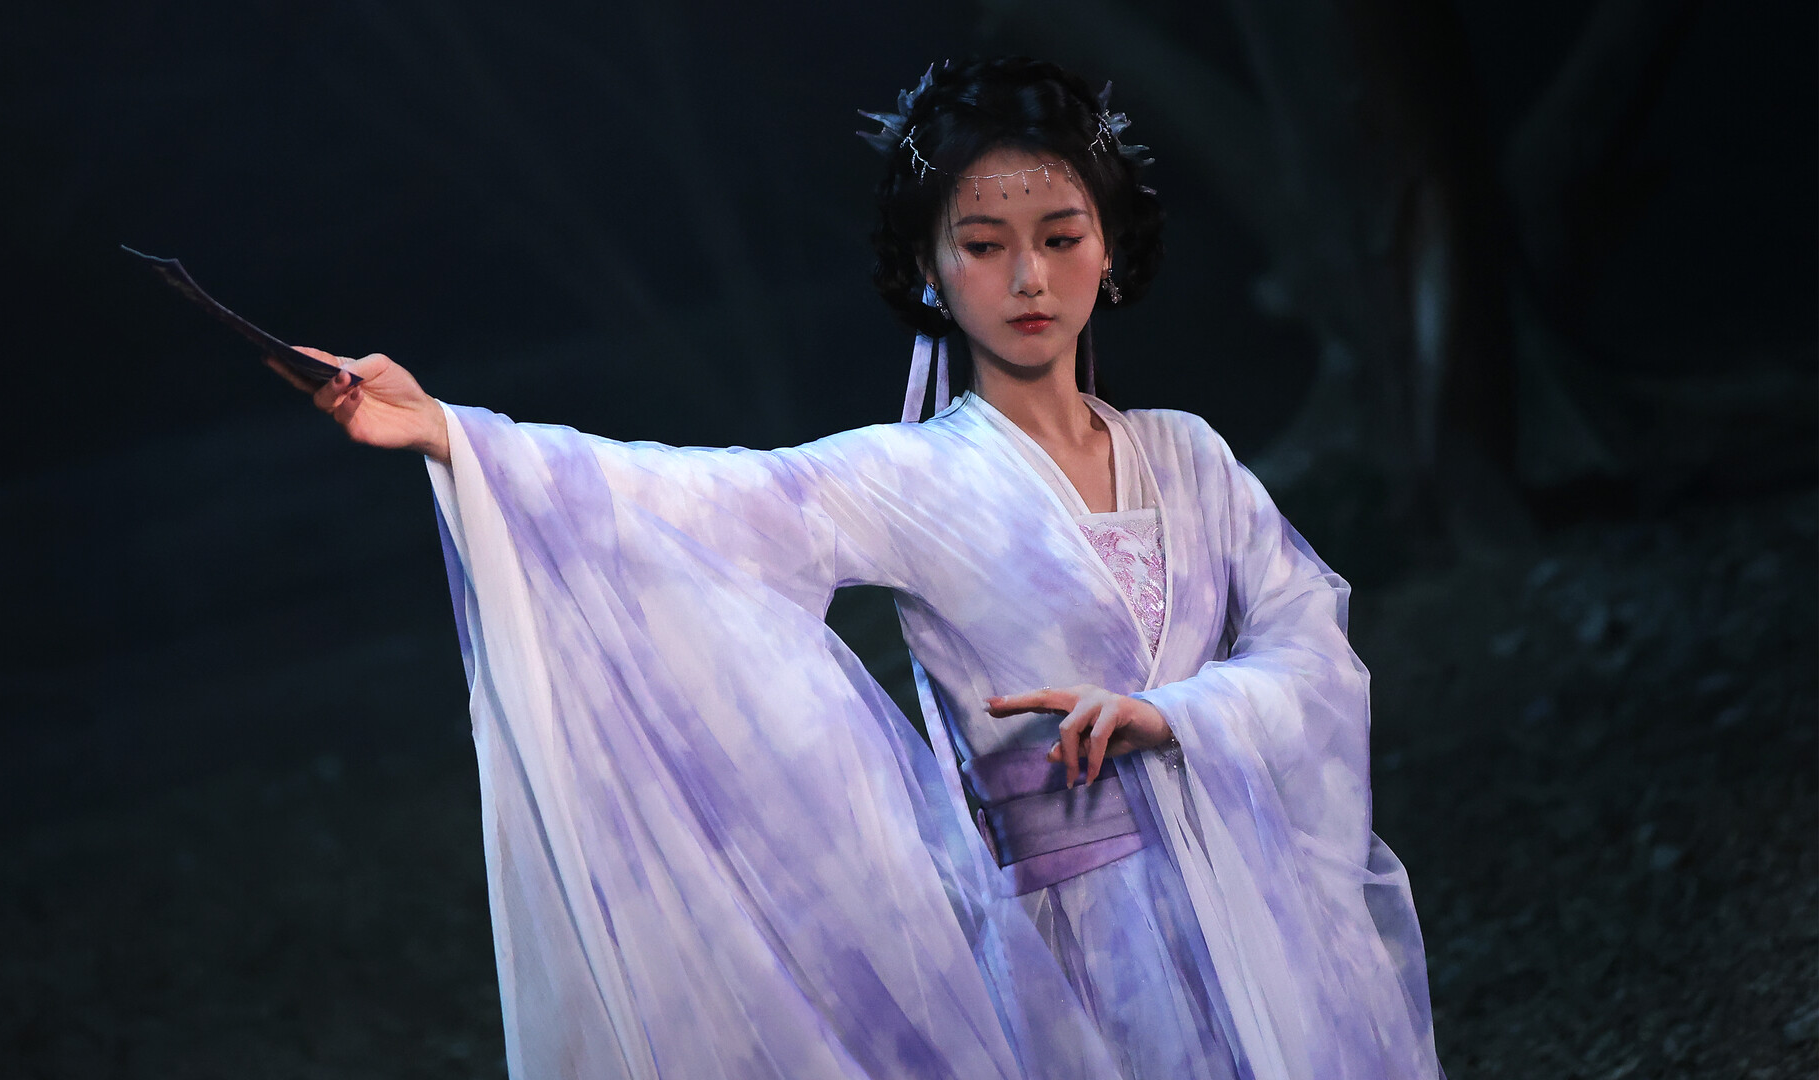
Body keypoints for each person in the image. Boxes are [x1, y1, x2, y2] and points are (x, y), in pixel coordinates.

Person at [288, 56, 1444, 1080]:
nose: (1030, 278)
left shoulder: (1190, 456)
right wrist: (454, 433)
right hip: (1080, 952)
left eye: (1060, 237)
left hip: (1261, 913)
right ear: (930, 270)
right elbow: (697, 497)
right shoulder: (912, 476)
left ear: (1110, 248)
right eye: (984, 246)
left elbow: (1311, 647)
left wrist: (1176, 713)